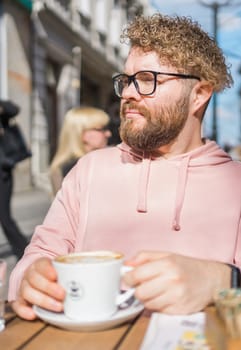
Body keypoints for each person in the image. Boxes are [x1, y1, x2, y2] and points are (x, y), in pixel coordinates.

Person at [8, 13, 241, 320]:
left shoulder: (234, 183)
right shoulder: (89, 170)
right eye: (128, 79)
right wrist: (31, 278)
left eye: (147, 80)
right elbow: (37, 258)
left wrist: (223, 279)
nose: (129, 93)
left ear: (198, 94)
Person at [50, 106, 111, 195]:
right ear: (82, 133)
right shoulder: (78, 167)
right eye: (101, 129)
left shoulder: (60, 167)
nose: (108, 134)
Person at [0, 100, 30, 259]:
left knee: (4, 217)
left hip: (2, 172)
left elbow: (14, 109)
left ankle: (24, 250)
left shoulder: (3, 113)